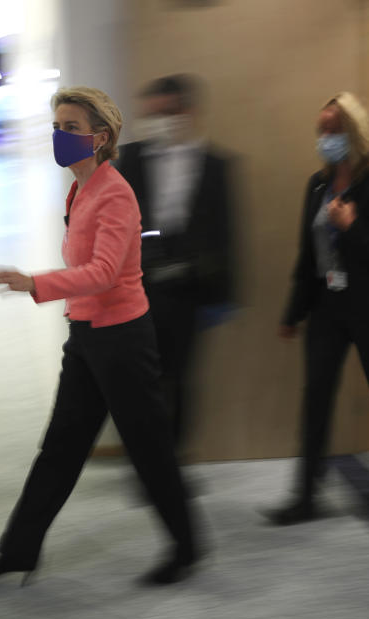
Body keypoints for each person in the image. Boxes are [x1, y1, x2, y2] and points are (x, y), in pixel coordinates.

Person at [0, 87, 198, 585]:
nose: (58, 136)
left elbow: (105, 272)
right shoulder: (79, 188)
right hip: (88, 336)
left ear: (101, 137)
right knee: (62, 447)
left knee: (148, 448)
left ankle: (186, 546)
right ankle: (19, 550)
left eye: (70, 128)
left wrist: (36, 284)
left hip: (124, 341)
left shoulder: (114, 192)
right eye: (56, 126)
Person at [266, 92, 369, 526]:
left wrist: (352, 226)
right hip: (328, 308)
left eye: (334, 129)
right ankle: (306, 495)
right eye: (321, 130)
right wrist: (292, 313)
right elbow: (309, 257)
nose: (326, 138)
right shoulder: (317, 186)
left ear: (353, 133)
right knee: (316, 396)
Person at [116, 74, 235, 449]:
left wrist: (224, 296)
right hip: (139, 288)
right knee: (140, 380)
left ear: (189, 112)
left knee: (180, 380)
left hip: (188, 290)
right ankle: (145, 460)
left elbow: (227, 231)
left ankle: (174, 461)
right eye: (154, 113)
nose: (162, 120)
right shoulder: (130, 158)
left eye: (170, 112)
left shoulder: (215, 165)